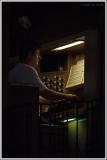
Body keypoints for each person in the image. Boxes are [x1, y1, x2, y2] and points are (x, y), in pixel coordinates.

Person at [9, 39, 78, 104]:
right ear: (30, 54)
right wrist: (69, 96)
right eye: (38, 54)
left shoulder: (15, 70)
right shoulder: (27, 69)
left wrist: (54, 101)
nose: (40, 57)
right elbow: (46, 93)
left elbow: (35, 98)